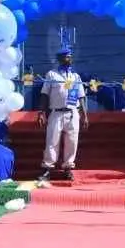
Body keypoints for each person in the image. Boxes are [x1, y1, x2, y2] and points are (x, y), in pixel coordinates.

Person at [37, 47, 89, 182]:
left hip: (72, 113)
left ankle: (68, 168)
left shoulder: (75, 76)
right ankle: (47, 169)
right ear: (60, 59)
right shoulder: (51, 75)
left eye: (70, 56)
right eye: (66, 56)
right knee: (52, 141)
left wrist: (85, 115)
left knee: (72, 142)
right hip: (56, 113)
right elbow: (44, 94)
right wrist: (41, 112)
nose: (69, 59)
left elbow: (81, 96)